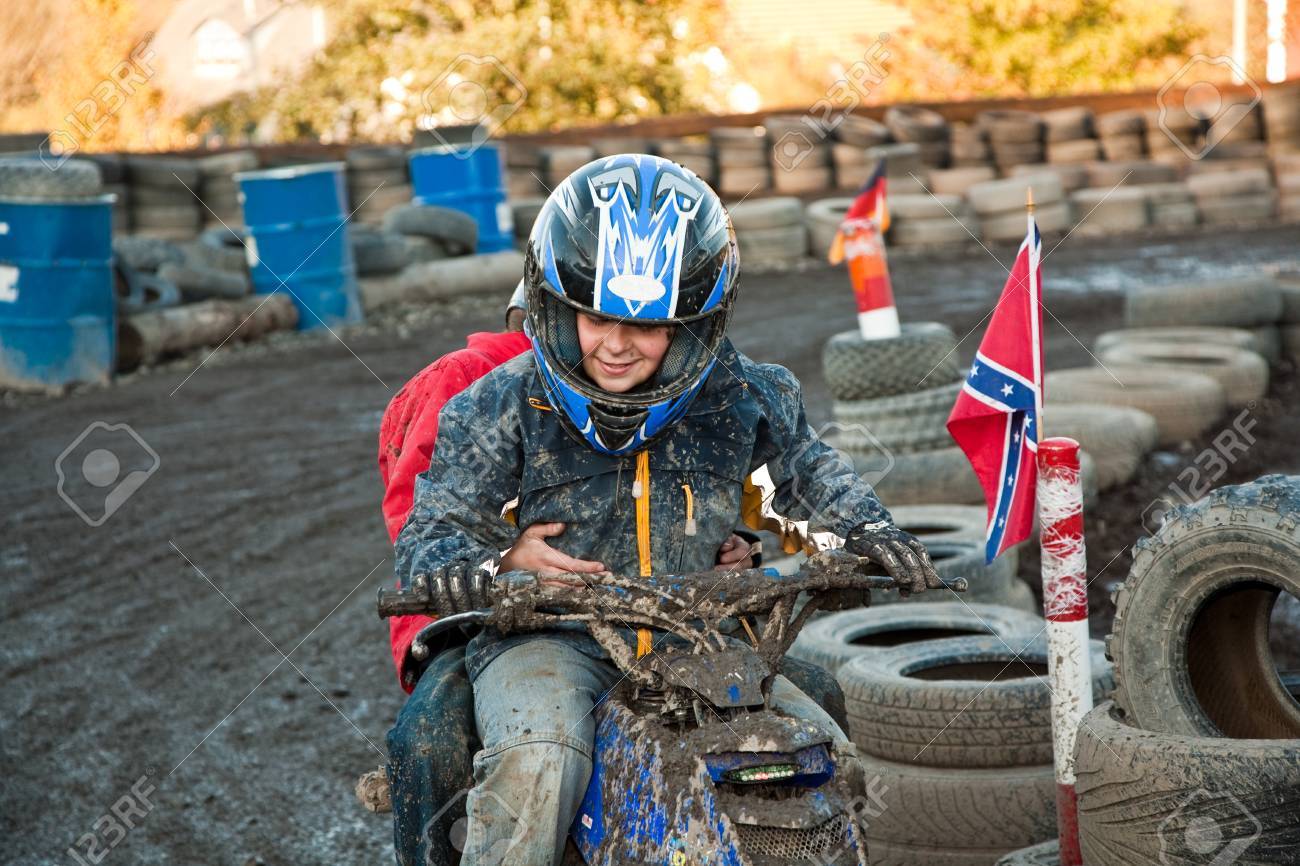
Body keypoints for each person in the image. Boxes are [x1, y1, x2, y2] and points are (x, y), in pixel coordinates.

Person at [393, 154, 940, 865]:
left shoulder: (745, 393)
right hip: (551, 642)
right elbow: (435, 529)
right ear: (555, 305)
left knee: (824, 753)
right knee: (540, 761)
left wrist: (869, 529)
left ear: (694, 325)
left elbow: (808, 474)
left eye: (648, 327)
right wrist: (482, 565)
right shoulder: (498, 404)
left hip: (704, 642)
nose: (617, 344)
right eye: (596, 316)